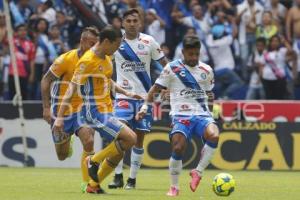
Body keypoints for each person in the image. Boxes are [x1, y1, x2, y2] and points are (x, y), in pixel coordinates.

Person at [52, 26, 138, 194]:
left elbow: (106, 80)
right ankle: (94, 161)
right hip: (94, 112)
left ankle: (92, 185)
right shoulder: (87, 61)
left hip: (108, 109)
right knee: (131, 138)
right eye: (116, 44)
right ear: (106, 42)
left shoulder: (107, 57)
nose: (117, 48)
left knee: (119, 150)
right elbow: (71, 90)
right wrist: (59, 117)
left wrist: (126, 92)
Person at [136, 35, 219, 197]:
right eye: (190, 54)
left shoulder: (207, 70)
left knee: (214, 135)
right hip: (181, 115)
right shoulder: (172, 69)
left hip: (202, 115)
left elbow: (209, 94)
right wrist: (145, 107)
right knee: (178, 147)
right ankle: (174, 187)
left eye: (196, 54)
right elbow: (154, 90)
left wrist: (210, 112)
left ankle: (198, 172)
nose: (194, 57)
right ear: (183, 52)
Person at [108, 8, 168, 190]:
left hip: (144, 98)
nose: (132, 24)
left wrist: (167, 85)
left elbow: (167, 66)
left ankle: (132, 179)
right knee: (120, 135)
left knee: (139, 139)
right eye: (129, 21)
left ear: (140, 23)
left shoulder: (149, 41)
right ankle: (117, 176)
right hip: (123, 97)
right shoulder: (115, 42)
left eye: (135, 21)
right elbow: (102, 66)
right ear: (122, 23)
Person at [41, 26, 99, 191]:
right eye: (92, 43)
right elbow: (45, 81)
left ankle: (87, 182)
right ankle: (68, 140)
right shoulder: (65, 60)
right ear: (82, 42)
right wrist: (46, 108)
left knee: (89, 140)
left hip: (83, 110)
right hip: (62, 112)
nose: (95, 47)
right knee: (62, 155)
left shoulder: (96, 60)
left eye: (97, 44)